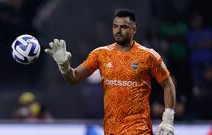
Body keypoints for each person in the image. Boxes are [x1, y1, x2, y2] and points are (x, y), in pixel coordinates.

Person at [45, 9, 176, 135]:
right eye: (115, 26)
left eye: (124, 27)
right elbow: (73, 78)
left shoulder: (148, 56)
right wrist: (64, 67)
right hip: (111, 130)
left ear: (134, 29)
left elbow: (168, 84)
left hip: (139, 129)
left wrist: (168, 119)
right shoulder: (100, 54)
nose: (118, 30)